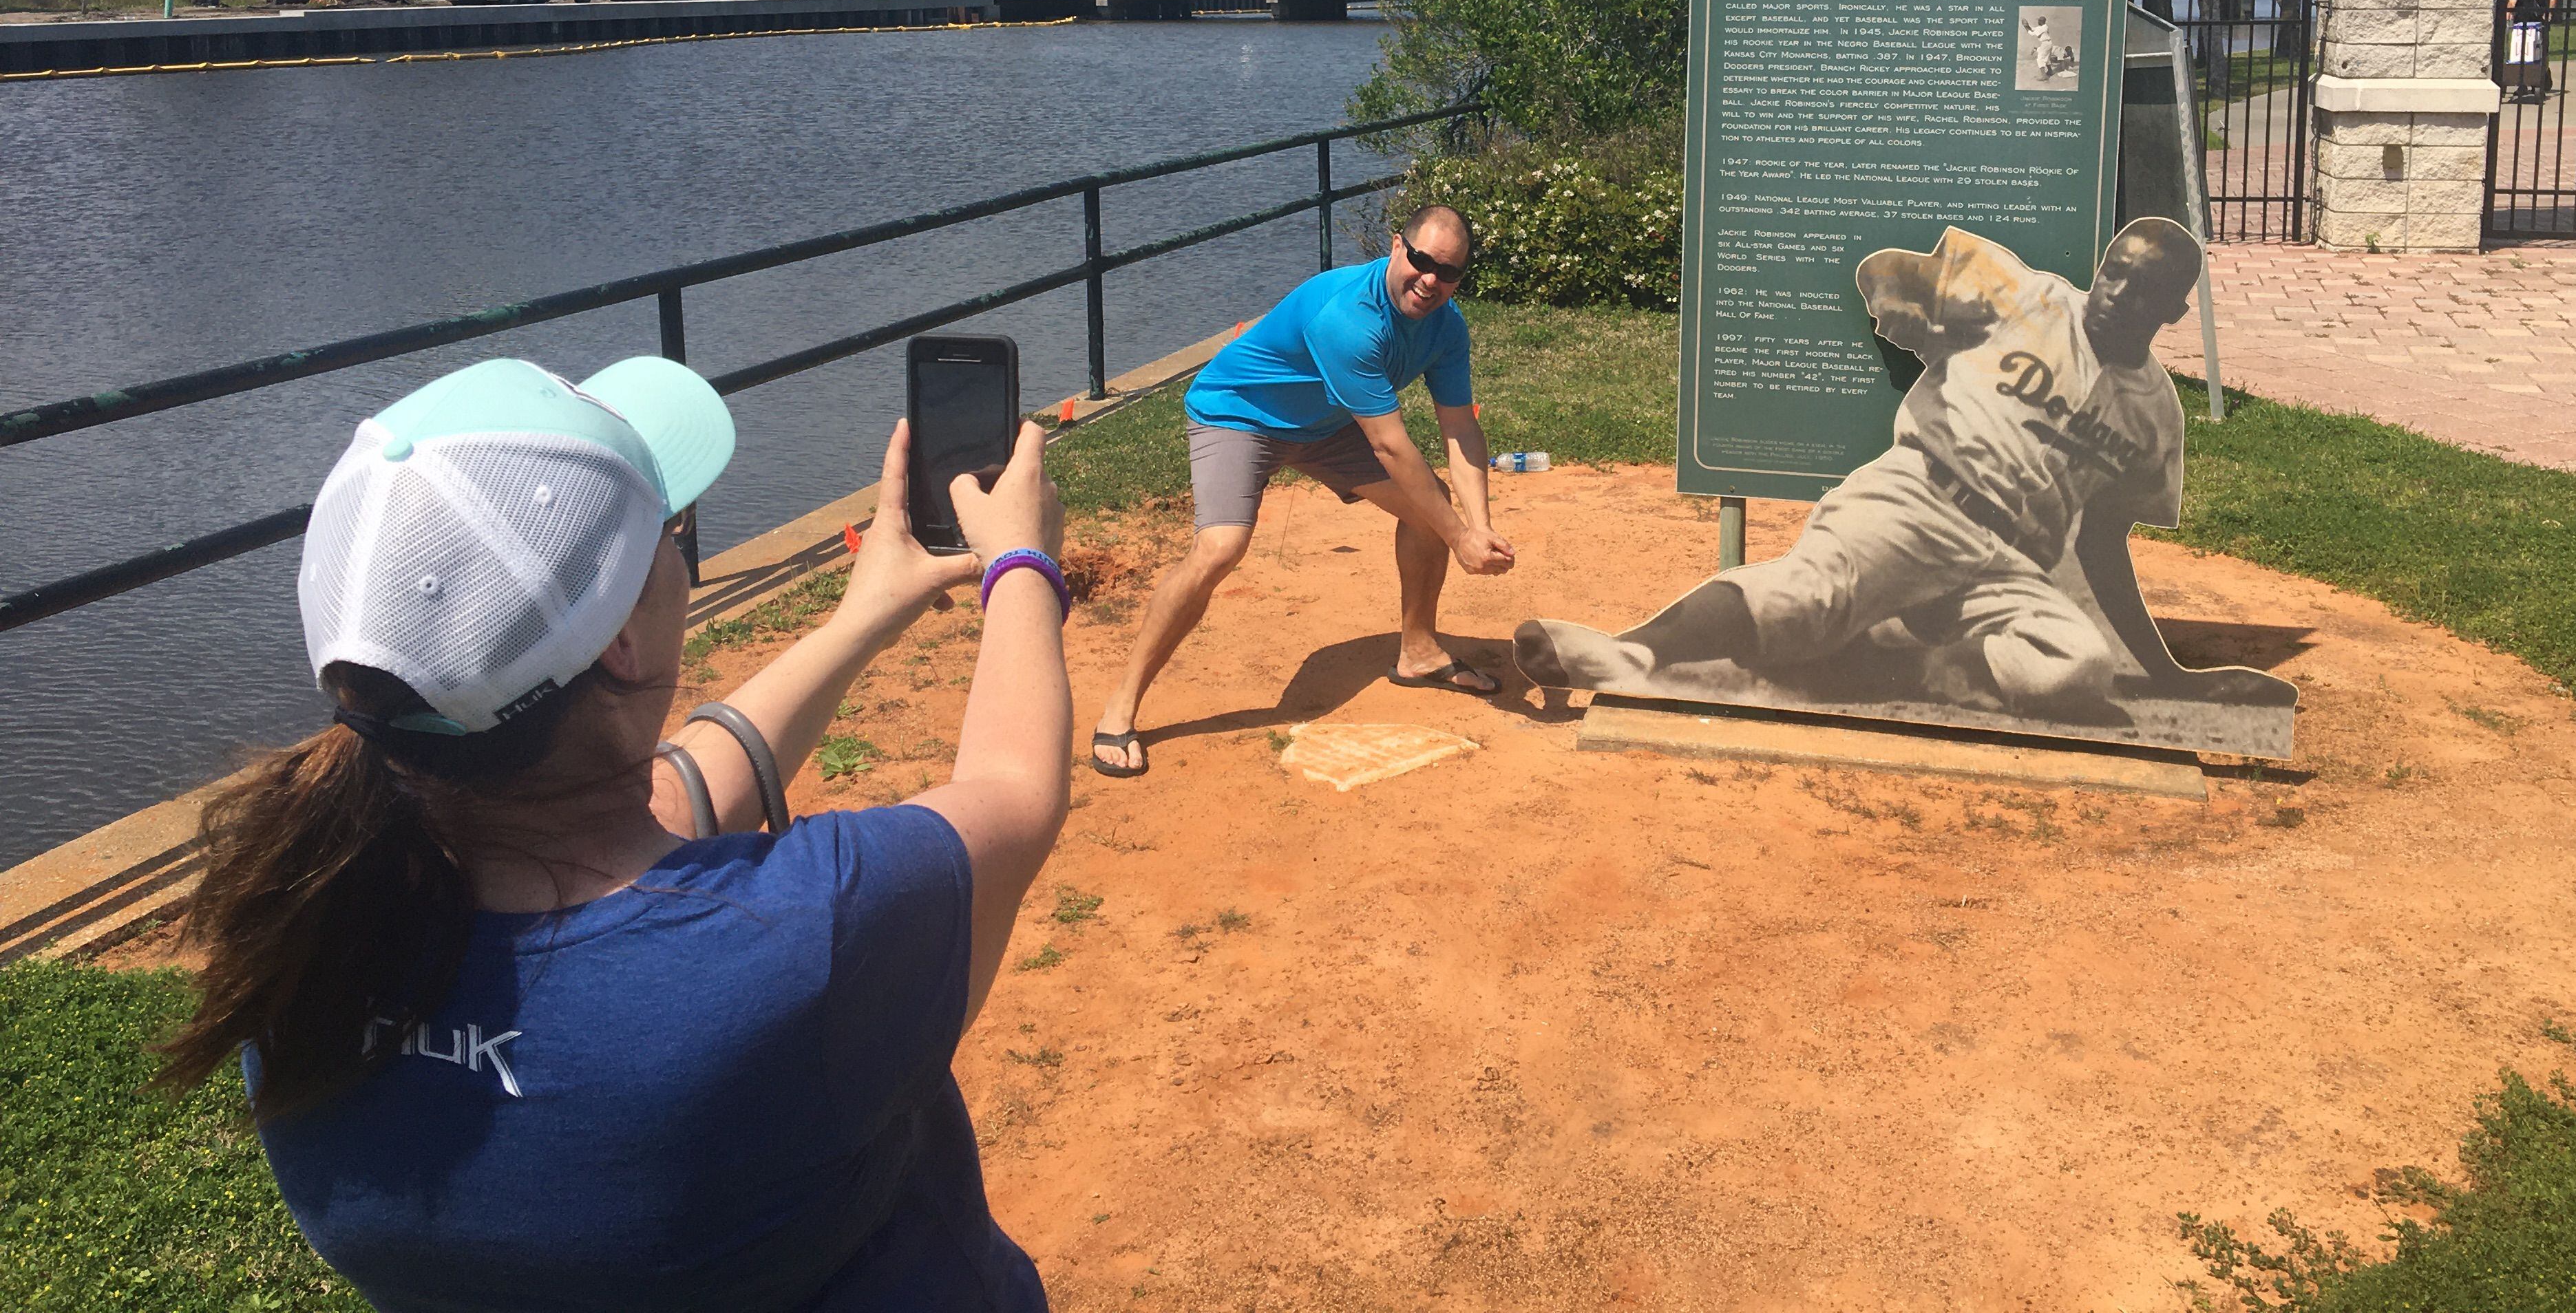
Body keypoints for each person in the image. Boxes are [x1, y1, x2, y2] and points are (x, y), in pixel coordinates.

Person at [156, 353, 1072, 1312]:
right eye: (672, 535)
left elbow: (659, 808)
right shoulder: (801, 944)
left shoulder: (302, 941)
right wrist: (1020, 562)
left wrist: (862, 617)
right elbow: (1013, 789)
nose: (680, 549)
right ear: (625, 635)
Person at [1517, 220, 2283, 720]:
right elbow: (1884, 269)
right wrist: (1898, 301)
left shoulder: (2155, 416)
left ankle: (1894, 652)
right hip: (1920, 498)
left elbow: (2105, 548)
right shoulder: (2028, 298)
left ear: (2176, 311)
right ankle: (1628, 651)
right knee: (1806, 594)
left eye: (2143, 287)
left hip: (2009, 566)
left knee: (2076, 670)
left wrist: (2170, 673)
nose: (2116, 292)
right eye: (2114, 271)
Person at [1089, 205, 1516, 778]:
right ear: (1396, 248)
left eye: (1449, 272)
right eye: (1419, 261)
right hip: (1239, 415)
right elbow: (1392, 447)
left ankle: (1418, 652)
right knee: (1220, 548)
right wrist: (1458, 535)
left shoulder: (1446, 326)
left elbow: (1459, 427)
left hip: (1326, 425)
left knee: (1427, 509)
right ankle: (1121, 704)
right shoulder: (1350, 318)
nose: (1431, 281)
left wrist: (1477, 524)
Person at [2504, 0, 2558, 103]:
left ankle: (2542, 77)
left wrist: (2549, 12)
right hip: (2522, 23)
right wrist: (2509, 10)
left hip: (2540, 23)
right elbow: (2513, 1)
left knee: (2541, 51)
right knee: (2521, 53)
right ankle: (2522, 84)